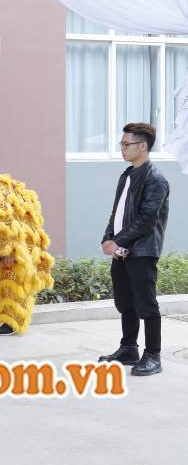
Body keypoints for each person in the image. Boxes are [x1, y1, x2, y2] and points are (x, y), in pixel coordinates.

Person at [99, 122, 170, 376]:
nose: (122, 148)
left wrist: (118, 241)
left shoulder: (156, 180)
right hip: (122, 250)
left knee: (146, 304)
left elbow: (146, 220)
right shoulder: (127, 175)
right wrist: (108, 238)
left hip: (143, 251)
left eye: (126, 144)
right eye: (121, 144)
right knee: (125, 302)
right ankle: (129, 348)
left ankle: (153, 355)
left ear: (142, 146)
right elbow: (117, 212)